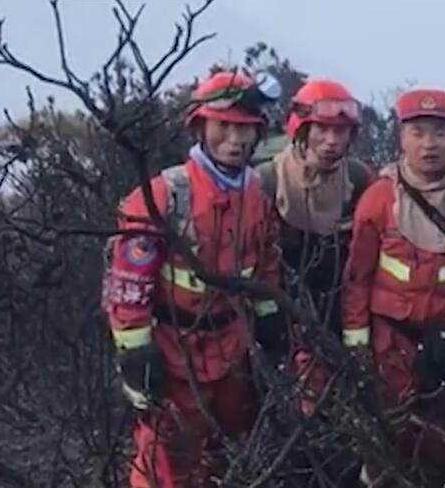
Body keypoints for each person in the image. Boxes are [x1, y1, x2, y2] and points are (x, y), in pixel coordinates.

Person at [102, 71, 286, 488]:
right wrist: (136, 353)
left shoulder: (257, 196)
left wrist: (271, 320)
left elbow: (265, 266)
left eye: (245, 128)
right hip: (174, 354)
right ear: (200, 127)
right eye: (224, 126)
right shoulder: (164, 195)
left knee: (231, 454)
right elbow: (127, 285)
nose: (235, 139)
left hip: (234, 351)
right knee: (166, 463)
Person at [341, 88, 445, 487]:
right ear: (402, 137)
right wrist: (356, 344)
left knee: (444, 440)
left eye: (439, 132)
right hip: (390, 344)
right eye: (418, 133)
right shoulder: (379, 198)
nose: (429, 144)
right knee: (387, 439)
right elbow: (357, 277)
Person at [256, 78, 374, 416]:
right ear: (302, 129)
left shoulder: (359, 180)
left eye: (341, 131)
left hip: (341, 312)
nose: (331, 141)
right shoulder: (267, 181)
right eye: (322, 129)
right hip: (282, 317)